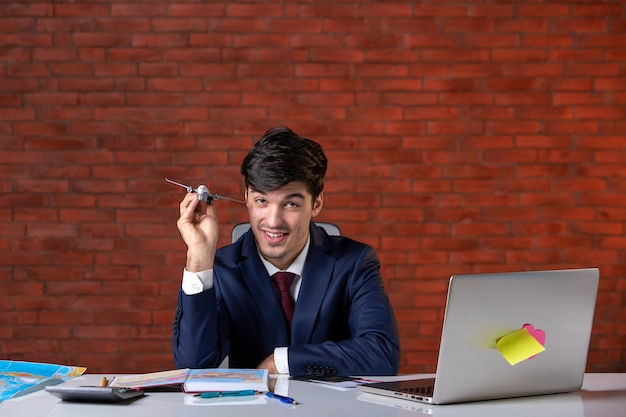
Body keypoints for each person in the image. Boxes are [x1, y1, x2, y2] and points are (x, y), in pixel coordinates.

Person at [172, 126, 400, 376]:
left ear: (316, 204)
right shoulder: (222, 269)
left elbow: (382, 354)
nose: (273, 220)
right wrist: (199, 258)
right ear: (246, 196)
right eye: (262, 201)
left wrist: (284, 361)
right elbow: (193, 367)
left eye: (291, 204)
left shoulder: (354, 262)